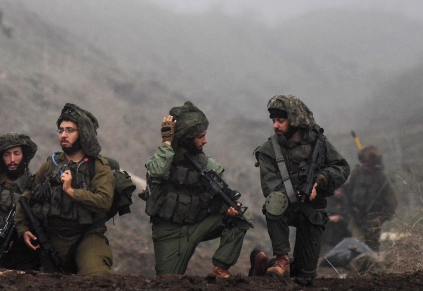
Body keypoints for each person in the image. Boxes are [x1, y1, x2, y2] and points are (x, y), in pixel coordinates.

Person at [144, 101, 251, 278]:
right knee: (168, 283)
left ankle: (220, 268)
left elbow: (219, 199)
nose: (205, 140)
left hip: (197, 226)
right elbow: (157, 171)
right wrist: (167, 142)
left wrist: (229, 209)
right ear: (186, 138)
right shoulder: (162, 159)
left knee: (241, 217)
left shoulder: (206, 165)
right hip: (168, 233)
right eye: (200, 136)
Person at [248, 94, 349, 278]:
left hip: (312, 209)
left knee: (305, 274)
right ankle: (281, 260)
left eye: (281, 120)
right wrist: (295, 191)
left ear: (294, 120)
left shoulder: (318, 142)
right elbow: (271, 189)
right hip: (285, 207)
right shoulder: (269, 150)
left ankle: (263, 263)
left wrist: (320, 181)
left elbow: (342, 168)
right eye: (273, 120)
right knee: (275, 200)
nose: (275, 125)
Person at [15, 103, 115, 275]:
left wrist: (71, 191)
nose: (63, 135)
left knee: (96, 276)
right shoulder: (50, 165)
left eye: (70, 130)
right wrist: (23, 229)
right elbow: (27, 197)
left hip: (87, 235)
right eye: (60, 130)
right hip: (52, 237)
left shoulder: (98, 167)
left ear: (82, 133)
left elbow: (103, 202)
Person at [0, 132, 41, 270]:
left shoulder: (34, 187)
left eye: (16, 153)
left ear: (24, 156)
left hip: (23, 250)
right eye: (7, 154)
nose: (12, 159)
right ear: (1, 158)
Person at [344, 145, 398, 251]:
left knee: (372, 249)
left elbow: (392, 203)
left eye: (367, 162)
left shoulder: (381, 178)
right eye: (363, 161)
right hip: (357, 217)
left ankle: (373, 266)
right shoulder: (357, 173)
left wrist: (380, 219)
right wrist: (350, 210)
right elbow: (348, 192)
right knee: (356, 245)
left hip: (373, 220)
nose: (365, 164)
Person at [319, 186, 352, 256]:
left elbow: (348, 215)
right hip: (327, 234)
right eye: (337, 190)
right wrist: (330, 218)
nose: (338, 193)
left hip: (341, 233)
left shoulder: (345, 201)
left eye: (340, 190)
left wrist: (340, 218)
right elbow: (319, 216)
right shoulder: (326, 201)